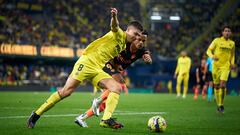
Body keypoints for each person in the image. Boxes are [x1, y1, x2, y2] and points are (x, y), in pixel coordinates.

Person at [27, 8, 144, 129]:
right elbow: (114, 26)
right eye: (135, 34)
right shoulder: (119, 34)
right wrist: (114, 16)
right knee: (66, 92)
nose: (136, 37)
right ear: (128, 30)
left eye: (138, 35)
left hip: (97, 69)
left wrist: (115, 66)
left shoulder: (123, 45)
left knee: (116, 87)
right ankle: (36, 115)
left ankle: (106, 119)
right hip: (86, 62)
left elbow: (107, 54)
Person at [74, 31, 152, 127]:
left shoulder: (141, 50)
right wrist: (116, 65)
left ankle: (82, 118)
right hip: (106, 65)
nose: (141, 43)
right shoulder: (124, 44)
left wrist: (148, 59)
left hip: (115, 70)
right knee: (118, 84)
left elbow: (147, 55)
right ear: (134, 38)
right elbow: (109, 52)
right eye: (139, 40)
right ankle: (101, 108)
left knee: (107, 102)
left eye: (143, 41)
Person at [206, 26, 235, 113]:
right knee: (217, 86)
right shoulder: (216, 40)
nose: (227, 32)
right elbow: (208, 51)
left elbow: (232, 55)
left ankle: (221, 105)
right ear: (222, 32)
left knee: (223, 85)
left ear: (230, 33)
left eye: (229, 31)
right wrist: (212, 56)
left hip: (225, 66)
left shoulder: (232, 43)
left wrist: (232, 63)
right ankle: (218, 105)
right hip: (216, 66)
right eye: (225, 31)